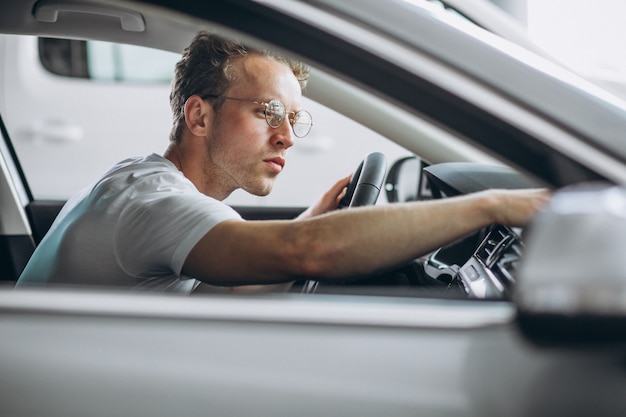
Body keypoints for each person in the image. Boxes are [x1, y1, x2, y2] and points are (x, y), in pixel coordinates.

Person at [16, 32, 548, 293]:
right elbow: (307, 254)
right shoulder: (152, 202)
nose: (287, 137)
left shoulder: (147, 187)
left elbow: (225, 287)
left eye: (295, 118)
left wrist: (314, 216)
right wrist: (494, 205)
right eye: (269, 111)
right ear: (198, 116)